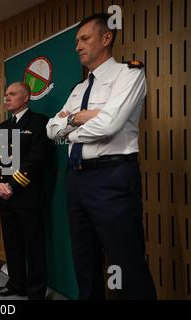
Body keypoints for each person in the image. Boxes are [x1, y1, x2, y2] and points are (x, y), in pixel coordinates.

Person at [46, 13, 156, 299]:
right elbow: (51, 129)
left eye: (84, 38)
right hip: (77, 179)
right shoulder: (79, 88)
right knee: (85, 262)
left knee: (125, 264)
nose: (77, 46)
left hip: (112, 177)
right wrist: (81, 119)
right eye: (76, 41)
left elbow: (109, 125)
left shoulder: (129, 73)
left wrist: (71, 127)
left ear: (106, 38)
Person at [0, 82, 49, 300]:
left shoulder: (39, 122)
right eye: (5, 94)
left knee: (33, 246)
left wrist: (11, 186)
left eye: (12, 94)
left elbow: (36, 160)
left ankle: (35, 293)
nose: (7, 98)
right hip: (5, 196)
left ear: (26, 97)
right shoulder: (3, 126)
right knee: (12, 243)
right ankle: (16, 283)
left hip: (27, 195)